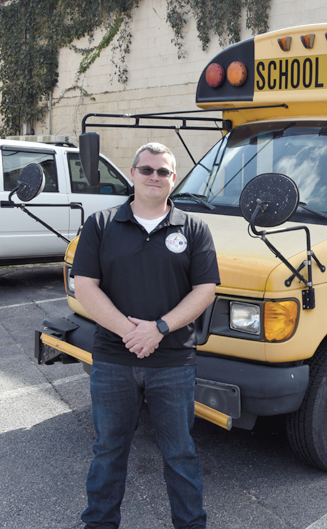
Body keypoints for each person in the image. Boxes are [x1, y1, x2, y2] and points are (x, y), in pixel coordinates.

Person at [72, 142, 220, 529]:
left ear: (174, 179)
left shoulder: (194, 228)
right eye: (147, 169)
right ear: (133, 174)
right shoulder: (101, 224)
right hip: (112, 361)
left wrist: (159, 329)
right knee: (108, 451)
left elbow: (205, 290)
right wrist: (133, 333)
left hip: (173, 363)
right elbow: (86, 286)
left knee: (180, 454)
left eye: (163, 172)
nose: (155, 177)